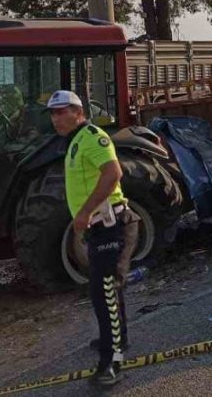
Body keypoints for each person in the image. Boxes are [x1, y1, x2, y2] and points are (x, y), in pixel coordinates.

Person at [48, 90, 138, 387]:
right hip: (100, 226)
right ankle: (116, 338)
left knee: (105, 292)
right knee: (105, 290)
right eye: (53, 113)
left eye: (63, 111)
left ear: (79, 111)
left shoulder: (92, 137)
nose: (56, 118)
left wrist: (85, 212)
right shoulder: (74, 142)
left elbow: (113, 173)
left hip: (113, 224)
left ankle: (111, 362)